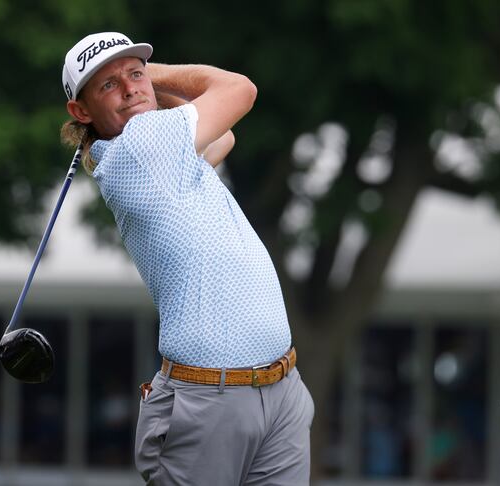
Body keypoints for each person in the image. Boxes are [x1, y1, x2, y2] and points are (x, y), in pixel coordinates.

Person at [60, 31, 314, 485]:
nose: (130, 88)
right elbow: (240, 91)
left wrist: (134, 84)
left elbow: (226, 138)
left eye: (134, 75)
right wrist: (152, 76)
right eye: (108, 85)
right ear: (81, 112)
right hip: (209, 400)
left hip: (279, 390)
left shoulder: (164, 152)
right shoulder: (142, 145)